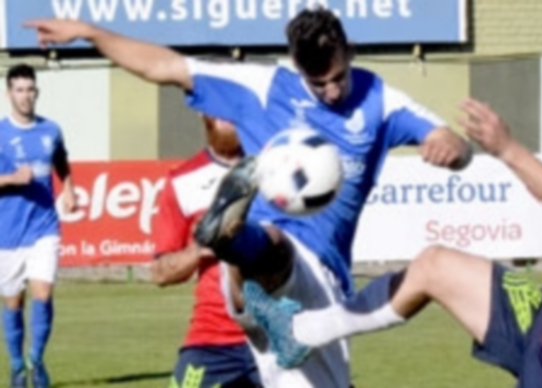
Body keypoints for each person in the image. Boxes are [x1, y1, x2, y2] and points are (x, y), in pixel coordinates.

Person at [26, 8, 471, 388]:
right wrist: (91, 33)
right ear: (298, 68)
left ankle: (234, 247)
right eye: (319, 84)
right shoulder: (262, 87)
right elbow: (165, 66)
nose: (332, 91)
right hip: (259, 258)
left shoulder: (381, 100)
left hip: (324, 281)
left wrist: (451, 149)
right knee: (274, 242)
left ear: (350, 51)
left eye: (338, 78)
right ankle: (228, 237)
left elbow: (454, 143)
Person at [245, 86, 542, 388]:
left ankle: (301, 332)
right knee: (435, 264)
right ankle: (299, 333)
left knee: (436, 265)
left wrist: (507, 149)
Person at [150, 115, 262, 387]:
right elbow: (160, 273)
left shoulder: (274, 170)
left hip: (277, 335)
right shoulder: (182, 181)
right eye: (217, 107)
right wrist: (201, 247)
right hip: (213, 338)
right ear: (204, 114)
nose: (226, 116)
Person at [0, 64, 77, 388]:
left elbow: (61, 160)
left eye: (30, 89)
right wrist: (11, 179)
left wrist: (69, 187)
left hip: (44, 227)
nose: (25, 96)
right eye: (19, 89)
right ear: (9, 94)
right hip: (7, 233)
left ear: (37, 92)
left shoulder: (51, 131)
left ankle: (36, 359)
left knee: (43, 293)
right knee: (13, 302)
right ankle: (17, 366)